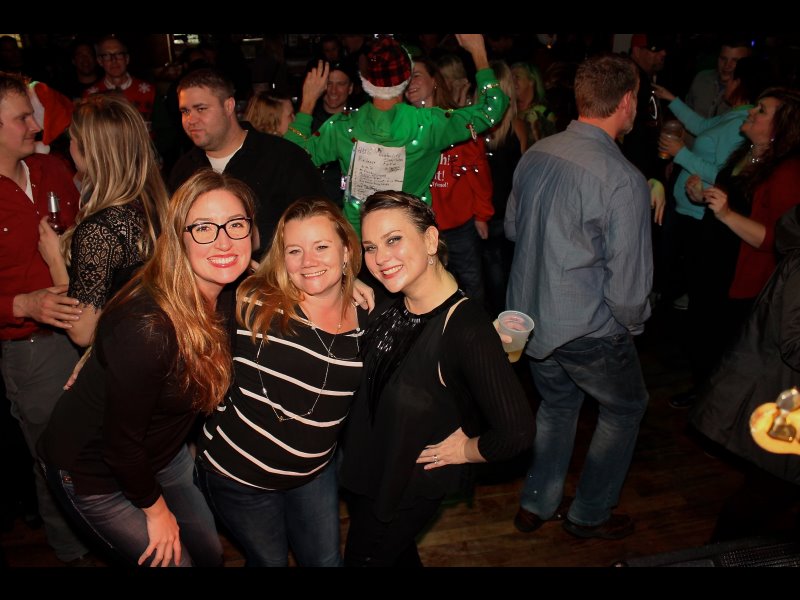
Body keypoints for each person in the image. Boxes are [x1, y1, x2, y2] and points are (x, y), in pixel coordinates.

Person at [37, 170, 254, 567]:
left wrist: (348, 283)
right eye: (203, 228)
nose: (223, 241)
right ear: (178, 238)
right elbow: (120, 447)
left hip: (161, 451)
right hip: (93, 468)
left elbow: (287, 274)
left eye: (235, 224)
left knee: (209, 552)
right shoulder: (149, 328)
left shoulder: (229, 289)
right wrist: (156, 512)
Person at [339, 190, 534, 567]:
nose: (380, 259)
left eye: (394, 240)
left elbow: (517, 433)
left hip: (405, 486)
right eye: (371, 247)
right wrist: (349, 282)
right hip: (371, 466)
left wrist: (466, 450)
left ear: (430, 240)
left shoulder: (466, 328)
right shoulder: (391, 299)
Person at [506, 54, 653, 540]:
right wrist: (631, 328)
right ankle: (589, 513)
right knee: (625, 408)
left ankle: (536, 502)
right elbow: (628, 292)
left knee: (557, 406)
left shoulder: (537, 153)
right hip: (586, 329)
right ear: (627, 101)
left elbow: (512, 229)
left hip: (529, 319)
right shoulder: (623, 180)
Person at [196, 196, 366, 567]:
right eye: (294, 251)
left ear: (347, 251)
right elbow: (176, 309)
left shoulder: (369, 316)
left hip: (313, 473)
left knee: (325, 562)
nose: (308, 262)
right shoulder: (251, 300)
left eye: (321, 247)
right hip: (238, 475)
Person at [284, 34, 508, 236]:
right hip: (410, 242)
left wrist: (307, 103)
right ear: (406, 78)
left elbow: (289, 158)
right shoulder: (428, 124)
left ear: (365, 80)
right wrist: (478, 53)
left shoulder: (342, 127)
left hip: (359, 246)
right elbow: (492, 109)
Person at [0, 71, 89, 566]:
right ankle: (72, 552)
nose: (36, 126)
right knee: (56, 457)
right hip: (33, 349)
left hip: (91, 328)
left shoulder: (52, 168)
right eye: (22, 119)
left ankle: (113, 536)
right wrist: (22, 304)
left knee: (103, 441)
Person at [689, 204, 800, 541]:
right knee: (769, 492)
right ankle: (718, 555)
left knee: (771, 492)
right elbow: (793, 341)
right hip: (779, 398)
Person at [37, 94, 168, 348]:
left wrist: (54, 259)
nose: (69, 146)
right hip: (149, 345)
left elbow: (83, 332)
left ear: (90, 151)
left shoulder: (100, 229)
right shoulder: (153, 202)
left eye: (72, 139)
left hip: (121, 355)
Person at [169, 68, 325, 259]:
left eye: (201, 109)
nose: (191, 120)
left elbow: (320, 220)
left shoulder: (283, 157)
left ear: (229, 106)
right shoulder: (184, 170)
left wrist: (258, 238)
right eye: (185, 111)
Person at [685, 37, 752, 118]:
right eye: (723, 59)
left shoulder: (750, 93)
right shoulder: (701, 78)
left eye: (735, 61)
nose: (727, 65)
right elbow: (686, 111)